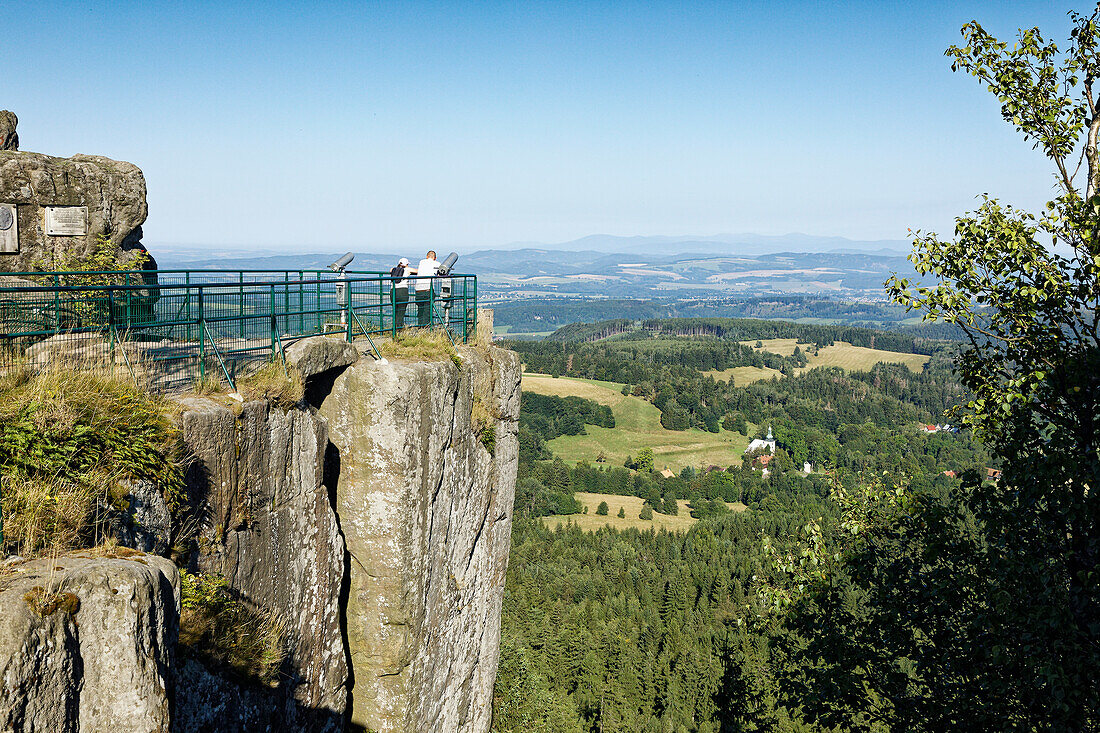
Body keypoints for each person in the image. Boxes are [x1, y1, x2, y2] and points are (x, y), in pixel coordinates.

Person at [414, 250, 439, 327]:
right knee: (427, 311)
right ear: (435, 258)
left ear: (427, 256)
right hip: (428, 289)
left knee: (420, 310)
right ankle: (426, 328)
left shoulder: (422, 262)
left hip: (418, 289)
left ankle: (420, 327)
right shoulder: (437, 264)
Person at [390, 257, 412, 329]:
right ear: (406, 264)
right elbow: (418, 271)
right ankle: (399, 329)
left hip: (393, 291)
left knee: (395, 311)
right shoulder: (407, 269)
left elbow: (390, 270)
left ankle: (394, 329)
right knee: (401, 311)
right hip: (402, 291)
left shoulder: (393, 269)